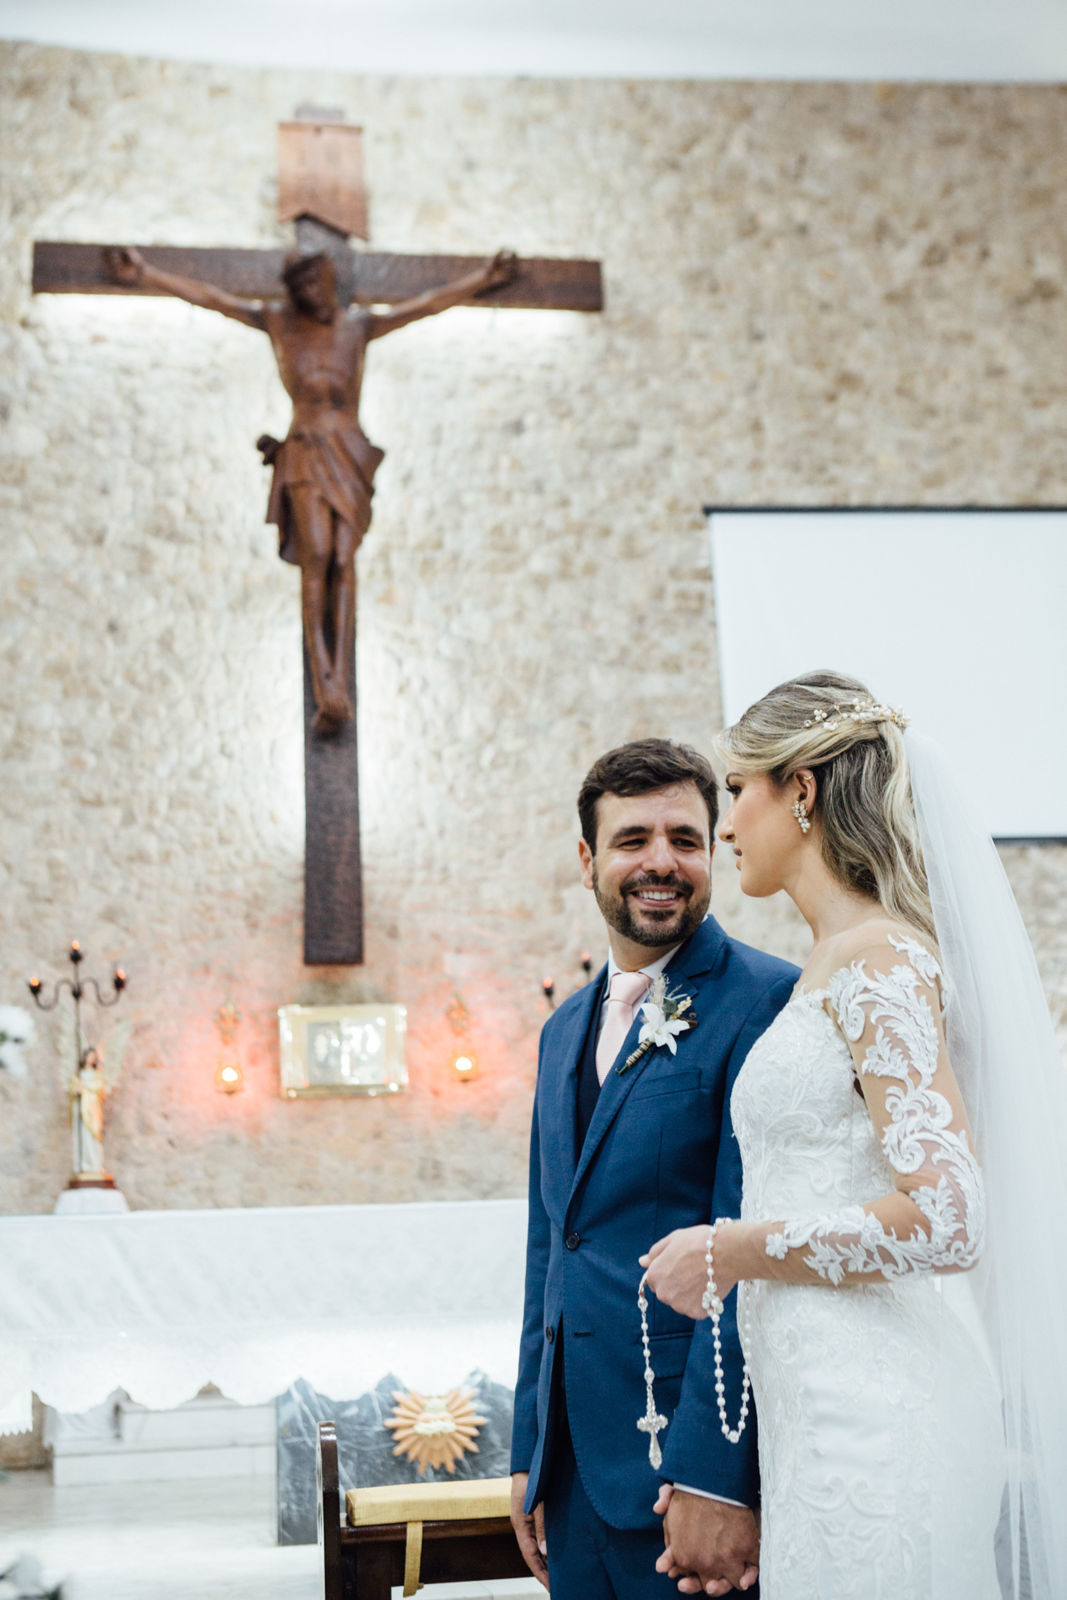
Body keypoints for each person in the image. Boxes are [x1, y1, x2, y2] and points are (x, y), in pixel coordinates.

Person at [643, 671, 1067, 1600]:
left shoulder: (880, 962)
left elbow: (948, 1216)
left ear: (799, 790)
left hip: (880, 1422)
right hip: (820, 1418)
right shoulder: (830, 963)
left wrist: (729, 1248)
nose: (725, 825)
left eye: (737, 790)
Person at [510, 739, 798, 1600]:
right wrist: (529, 1451)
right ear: (586, 860)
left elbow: (750, 1252)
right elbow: (549, 1250)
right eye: (632, 839)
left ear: (712, 851)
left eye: (684, 839)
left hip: (683, 1467)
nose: (660, 863)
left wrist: (714, 1474)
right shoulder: (561, 1030)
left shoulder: (765, 1001)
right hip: (571, 1471)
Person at [104, 244, 516, 733]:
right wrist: (147, 273)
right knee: (316, 553)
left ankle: (339, 675)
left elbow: (426, 304)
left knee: (343, 559)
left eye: (315, 283)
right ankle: (325, 682)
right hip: (304, 449)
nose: (310, 294)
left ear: (329, 281)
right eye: (300, 287)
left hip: (348, 454)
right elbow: (212, 298)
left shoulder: (358, 327)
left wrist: (483, 278)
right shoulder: (279, 323)